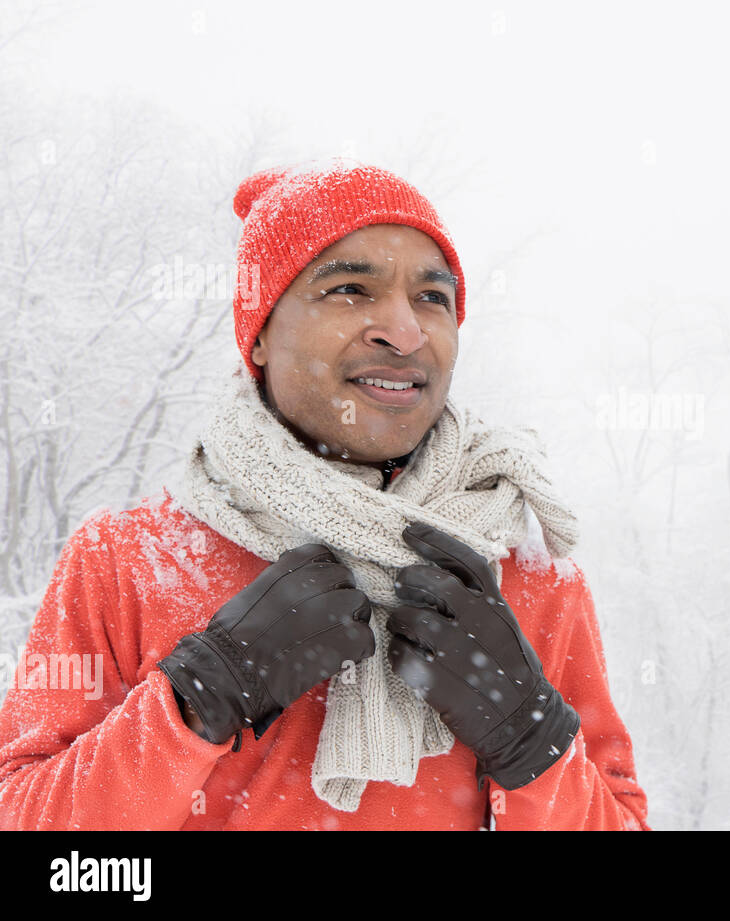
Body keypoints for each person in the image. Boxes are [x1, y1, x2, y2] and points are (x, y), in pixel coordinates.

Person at [0, 160, 650, 830]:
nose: (404, 331)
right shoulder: (128, 560)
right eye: (349, 289)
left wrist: (529, 737)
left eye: (433, 298)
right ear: (258, 334)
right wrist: (199, 693)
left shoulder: (527, 573)